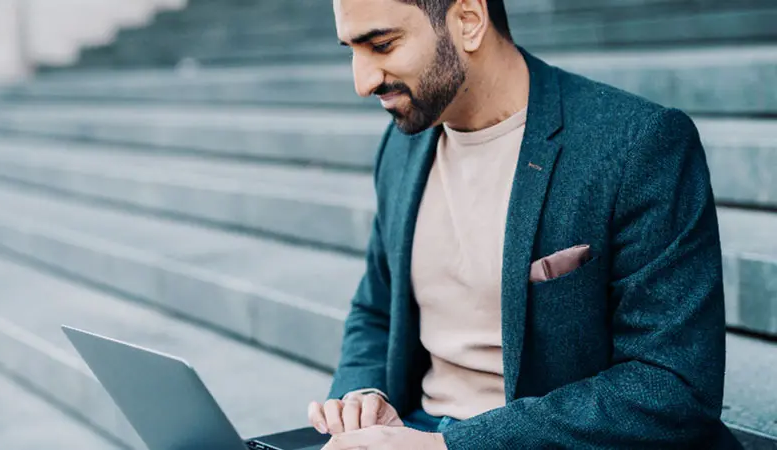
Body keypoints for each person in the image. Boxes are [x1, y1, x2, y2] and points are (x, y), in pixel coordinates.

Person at [308, 0, 744, 448]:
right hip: (415, 430)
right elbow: (376, 308)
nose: (363, 83)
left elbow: (671, 386)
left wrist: (450, 447)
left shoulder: (638, 145)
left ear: (469, 21)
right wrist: (361, 394)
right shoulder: (402, 147)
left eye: (382, 44)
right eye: (351, 50)